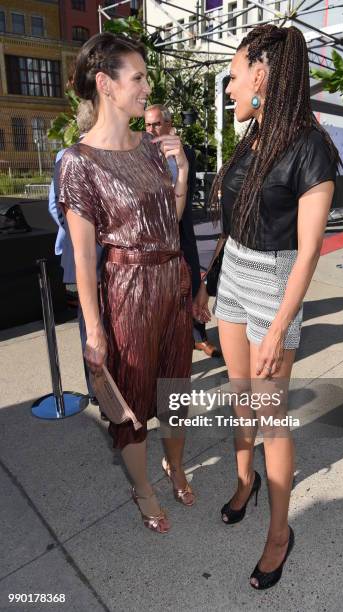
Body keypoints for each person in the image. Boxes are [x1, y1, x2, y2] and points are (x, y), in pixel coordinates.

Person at [194, 24, 341, 589]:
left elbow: (308, 255)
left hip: (275, 289)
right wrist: (210, 279)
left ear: (261, 74)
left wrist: (281, 326)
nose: (228, 88)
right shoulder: (253, 136)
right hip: (234, 279)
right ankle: (243, 481)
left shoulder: (311, 147)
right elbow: (231, 226)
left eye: (232, 76)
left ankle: (280, 533)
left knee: (273, 419)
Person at [58, 32, 195, 534]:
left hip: (172, 280)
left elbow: (171, 219)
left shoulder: (155, 149)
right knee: (132, 400)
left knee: (176, 388)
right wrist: (95, 331)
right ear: (105, 84)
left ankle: (175, 464)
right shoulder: (80, 163)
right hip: (127, 287)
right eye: (137, 77)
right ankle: (143, 489)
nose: (146, 87)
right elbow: (84, 255)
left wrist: (178, 174)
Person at [145, 104, 222, 358]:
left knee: (192, 277)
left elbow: (184, 190)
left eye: (156, 123)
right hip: (156, 234)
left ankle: (199, 336)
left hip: (182, 229)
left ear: (168, 124)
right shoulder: (142, 154)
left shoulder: (186, 152)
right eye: (147, 124)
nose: (151, 129)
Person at [48, 100, 104, 411]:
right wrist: (79, 232)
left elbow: (54, 208)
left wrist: (72, 234)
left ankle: (98, 389)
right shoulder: (73, 158)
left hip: (86, 254)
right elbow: (58, 207)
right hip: (98, 255)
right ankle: (102, 388)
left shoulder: (63, 156)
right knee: (97, 322)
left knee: (89, 322)